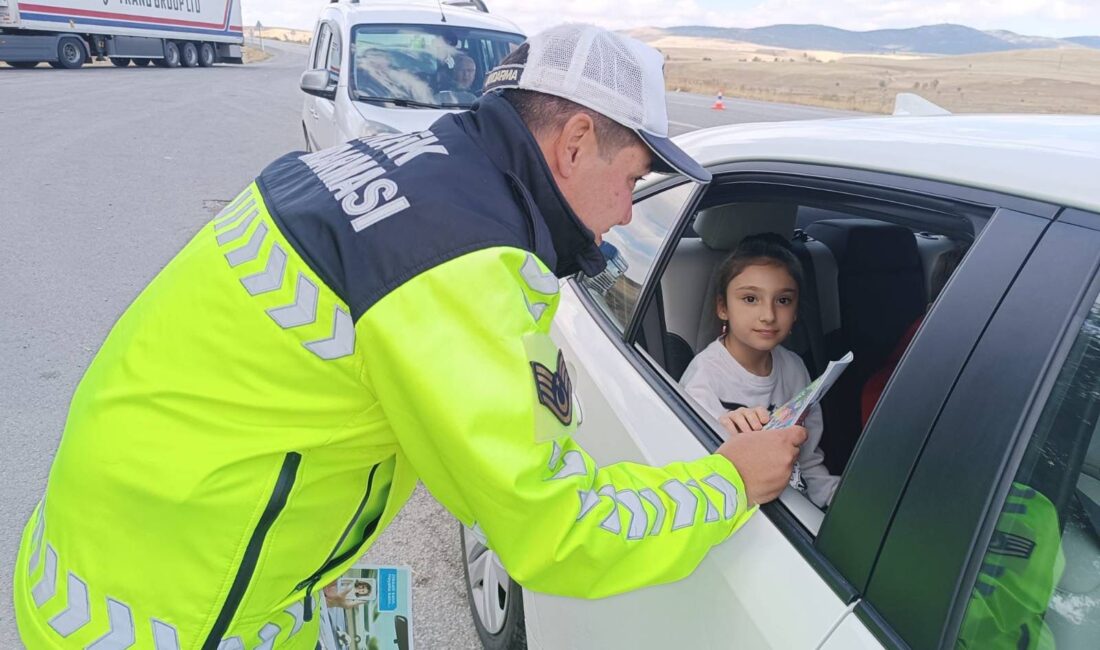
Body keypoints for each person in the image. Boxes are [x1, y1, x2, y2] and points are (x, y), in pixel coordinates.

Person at [13, 24, 806, 649]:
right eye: (632, 179)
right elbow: (554, 530)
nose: (630, 214)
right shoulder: (458, 263)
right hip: (175, 613)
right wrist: (727, 483)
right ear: (571, 145)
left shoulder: (412, 167)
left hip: (128, 542)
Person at [680, 233, 840, 508]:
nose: (768, 315)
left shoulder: (794, 367)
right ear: (723, 307)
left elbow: (809, 460)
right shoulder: (703, 379)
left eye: (783, 301)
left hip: (794, 504)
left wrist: (835, 498)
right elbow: (703, 472)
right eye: (751, 299)